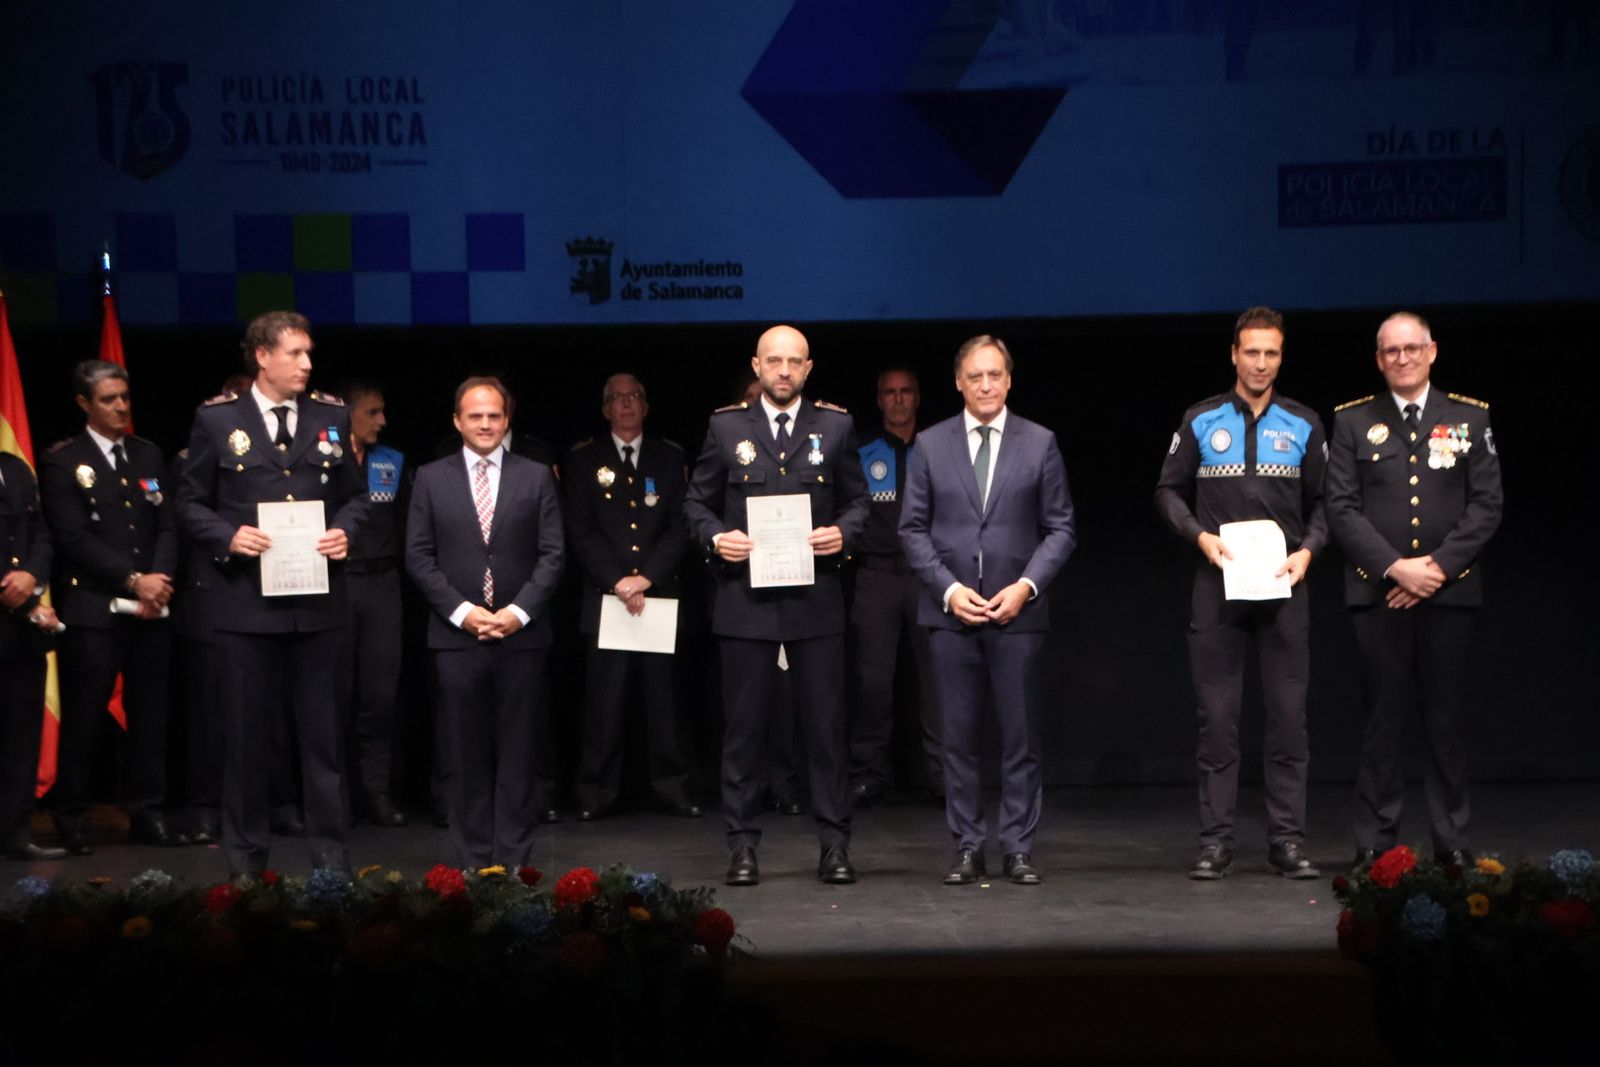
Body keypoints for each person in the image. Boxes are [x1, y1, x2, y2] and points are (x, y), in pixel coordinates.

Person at [176, 310, 368, 875]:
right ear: (262, 356)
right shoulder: (217, 420)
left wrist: (346, 530)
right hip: (246, 608)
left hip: (317, 608)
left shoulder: (331, 416)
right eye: (295, 354)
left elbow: (356, 498)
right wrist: (227, 536)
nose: (307, 364)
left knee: (323, 744)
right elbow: (189, 502)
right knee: (246, 742)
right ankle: (245, 867)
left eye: (309, 353)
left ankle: (331, 866)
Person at [684, 325, 869, 887]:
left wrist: (844, 532)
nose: (784, 370)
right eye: (774, 361)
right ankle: (742, 846)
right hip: (746, 604)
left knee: (826, 732)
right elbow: (696, 503)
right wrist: (716, 538)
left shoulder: (835, 427)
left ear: (808, 368)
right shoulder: (725, 426)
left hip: (816, 603)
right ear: (756, 366)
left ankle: (834, 845)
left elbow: (859, 501)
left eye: (794, 362)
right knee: (744, 734)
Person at [1155, 306, 1328, 881]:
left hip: (1284, 585)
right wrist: (1199, 536)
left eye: (1271, 353)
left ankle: (1287, 842)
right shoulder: (1201, 419)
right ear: (1234, 354)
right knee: (1218, 720)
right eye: (1251, 352)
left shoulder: (1303, 423)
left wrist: (1309, 551)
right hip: (1218, 586)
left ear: (1282, 357)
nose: (1260, 363)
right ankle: (1216, 843)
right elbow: (1167, 491)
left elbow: (1327, 503)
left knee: (1289, 719)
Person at [1326, 312, 1503, 869]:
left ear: (1432, 351)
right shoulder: (1353, 421)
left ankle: (1453, 841)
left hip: (1448, 595)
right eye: (1391, 351)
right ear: (1379, 360)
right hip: (1378, 594)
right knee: (1381, 719)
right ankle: (1376, 842)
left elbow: (1487, 505)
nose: (1401, 358)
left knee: (1445, 720)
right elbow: (1341, 509)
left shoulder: (1469, 417)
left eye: (1411, 348)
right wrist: (1395, 569)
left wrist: (1436, 569)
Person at [900, 336, 1076, 886]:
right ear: (958, 382)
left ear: (1009, 380)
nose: (985, 385)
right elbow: (911, 530)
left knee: (1019, 738)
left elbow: (1062, 528)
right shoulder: (930, 444)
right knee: (958, 739)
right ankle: (967, 847)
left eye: (995, 374)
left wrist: (1026, 586)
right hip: (950, 615)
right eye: (975, 376)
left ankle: (1018, 847)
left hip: (1017, 614)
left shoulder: (1040, 442)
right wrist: (949, 590)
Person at [405, 376, 563, 868]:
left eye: (494, 415)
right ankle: (474, 860)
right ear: (457, 421)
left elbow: (553, 555)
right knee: (465, 755)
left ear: (507, 419)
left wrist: (517, 613)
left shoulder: (535, 476)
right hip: (457, 638)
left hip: (522, 637)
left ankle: (514, 859)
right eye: (475, 416)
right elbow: (418, 556)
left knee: (519, 753)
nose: (486, 424)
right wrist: (463, 613)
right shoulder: (430, 478)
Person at [39, 360, 180, 851]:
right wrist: (134, 580)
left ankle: (147, 811)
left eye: (124, 396)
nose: (121, 406)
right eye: (108, 399)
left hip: (153, 608)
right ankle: (71, 813)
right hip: (95, 610)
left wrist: (160, 582)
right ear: (84, 403)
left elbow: (166, 525)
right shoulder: (63, 461)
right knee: (85, 717)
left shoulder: (147, 454)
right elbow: (73, 537)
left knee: (151, 716)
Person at [564, 373, 699, 821]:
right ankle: (595, 792)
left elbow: (680, 526)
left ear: (646, 405)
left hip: (658, 596)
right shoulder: (584, 459)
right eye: (617, 399)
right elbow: (580, 529)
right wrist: (618, 580)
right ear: (605, 409)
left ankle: (673, 788)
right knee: (604, 703)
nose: (626, 404)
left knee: (665, 702)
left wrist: (648, 578)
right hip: (607, 599)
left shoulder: (670, 456)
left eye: (634, 397)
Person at [849, 368, 943, 806]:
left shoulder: (938, 445)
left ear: (917, 397)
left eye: (906, 391)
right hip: (877, 574)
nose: (899, 399)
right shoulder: (861, 449)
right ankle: (868, 773)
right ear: (879, 399)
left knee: (937, 678)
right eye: (890, 392)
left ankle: (943, 773)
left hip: (930, 576)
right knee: (872, 680)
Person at [342, 380, 408, 827]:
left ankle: (377, 792)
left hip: (383, 585)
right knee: (333, 696)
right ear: (346, 414)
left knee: (380, 697)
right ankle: (334, 796)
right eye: (372, 412)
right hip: (337, 584)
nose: (382, 421)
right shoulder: (323, 459)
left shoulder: (391, 461)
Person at [0, 452, 68, 861]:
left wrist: (32, 576)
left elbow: (41, 532)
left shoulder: (13, 467)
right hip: (17, 609)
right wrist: (19, 595)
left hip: (21, 633)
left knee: (20, 735)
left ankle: (14, 831)